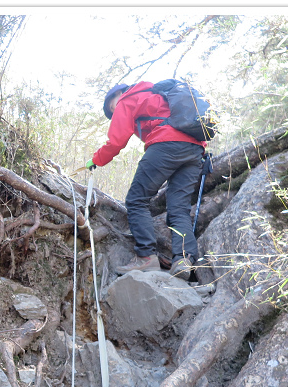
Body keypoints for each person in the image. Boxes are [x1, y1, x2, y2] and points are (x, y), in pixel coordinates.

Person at [86, 81, 207, 279]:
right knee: (178, 208)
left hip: (166, 144)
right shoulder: (159, 95)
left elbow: (116, 142)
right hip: (194, 150)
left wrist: (96, 160)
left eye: (112, 105)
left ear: (120, 93)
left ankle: (146, 257)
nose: (114, 109)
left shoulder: (128, 98)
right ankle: (183, 259)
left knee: (136, 200)